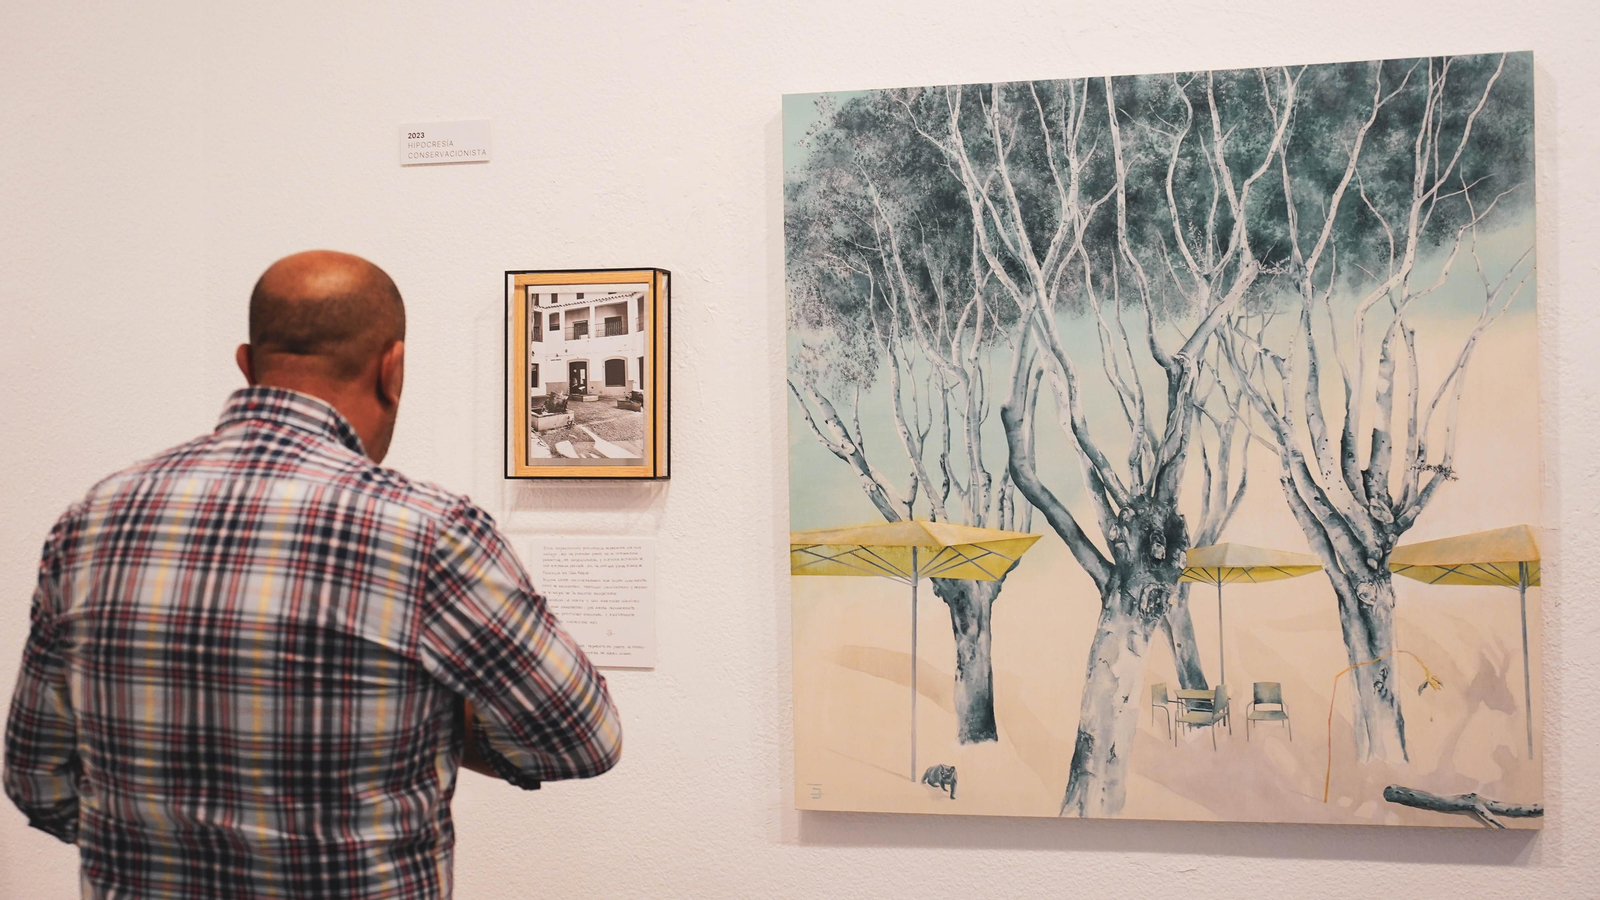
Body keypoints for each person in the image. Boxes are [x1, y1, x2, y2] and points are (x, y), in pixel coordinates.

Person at [3, 250, 622, 899]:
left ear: (247, 364)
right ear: (393, 367)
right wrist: (445, 715)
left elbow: (37, 782)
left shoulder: (94, 517)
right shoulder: (428, 532)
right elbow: (581, 739)